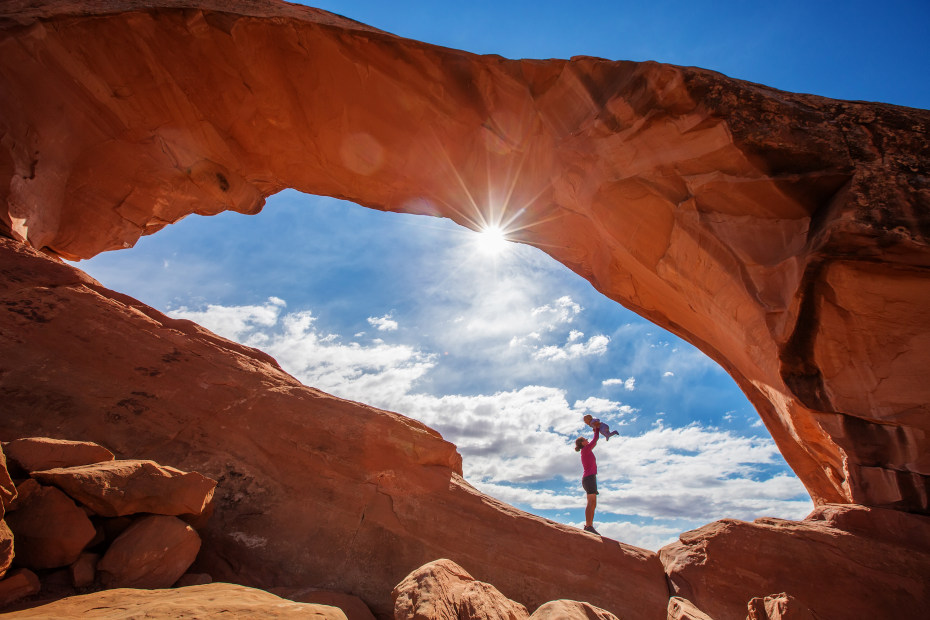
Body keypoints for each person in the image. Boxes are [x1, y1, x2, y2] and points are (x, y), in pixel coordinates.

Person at [574, 427, 601, 535]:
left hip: (590, 478)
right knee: (591, 502)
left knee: (593, 502)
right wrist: (597, 430)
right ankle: (588, 526)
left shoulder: (586, 450)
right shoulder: (585, 450)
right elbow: (595, 440)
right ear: (582, 443)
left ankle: (590, 525)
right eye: (585, 439)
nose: (587, 439)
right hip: (588, 478)